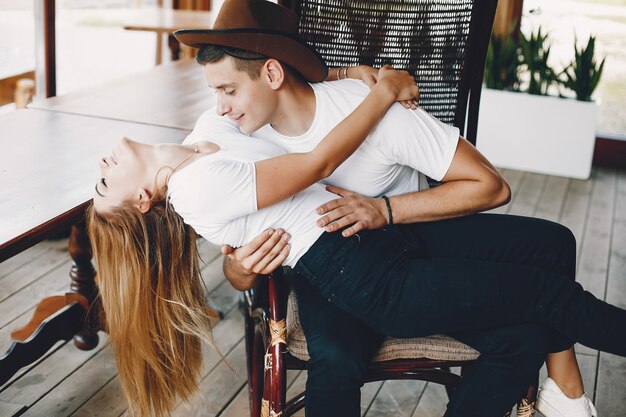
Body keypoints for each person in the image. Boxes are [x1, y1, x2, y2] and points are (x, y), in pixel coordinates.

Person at [85, 65, 626, 417]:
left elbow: (277, 84)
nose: (102, 166)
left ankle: (562, 391)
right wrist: (385, 89)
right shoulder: (193, 185)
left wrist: (344, 75)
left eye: (227, 88)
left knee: (537, 296)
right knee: (546, 299)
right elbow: (317, 163)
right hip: (348, 268)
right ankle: (569, 398)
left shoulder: (209, 133)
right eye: (104, 184)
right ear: (140, 203)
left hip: (372, 247)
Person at [173, 1, 596, 416]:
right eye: (216, 93)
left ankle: (563, 390)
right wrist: (243, 268)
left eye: (228, 90)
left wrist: (384, 209)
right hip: (324, 276)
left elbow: (491, 186)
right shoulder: (231, 137)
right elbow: (232, 265)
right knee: (337, 357)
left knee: (522, 337)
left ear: (272, 72)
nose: (220, 107)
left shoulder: (371, 107)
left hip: (412, 260)